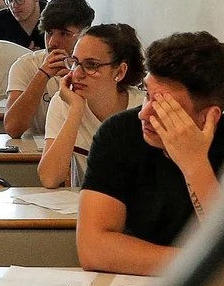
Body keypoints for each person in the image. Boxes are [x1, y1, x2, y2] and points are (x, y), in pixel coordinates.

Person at [76, 32, 224, 274]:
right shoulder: (119, 134)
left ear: (209, 117)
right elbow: (93, 248)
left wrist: (195, 164)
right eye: (147, 94)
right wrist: (202, 262)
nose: (144, 113)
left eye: (164, 106)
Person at [38, 24, 146, 189]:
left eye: (91, 65)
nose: (77, 74)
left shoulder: (143, 107)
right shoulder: (64, 102)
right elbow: (50, 177)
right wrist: (76, 109)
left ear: (119, 72)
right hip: (88, 207)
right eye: (75, 63)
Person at [5, 0, 95, 139]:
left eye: (64, 34)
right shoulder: (25, 65)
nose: (52, 42)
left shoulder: (97, 69)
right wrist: (42, 75)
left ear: (85, 34)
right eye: (49, 33)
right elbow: (13, 128)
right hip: (36, 153)